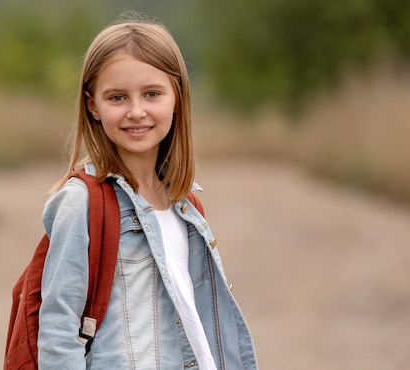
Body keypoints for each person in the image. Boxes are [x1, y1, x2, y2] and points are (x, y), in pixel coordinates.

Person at [38, 18, 258, 370]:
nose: (136, 111)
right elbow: (57, 329)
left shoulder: (185, 204)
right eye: (117, 97)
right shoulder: (81, 202)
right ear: (92, 105)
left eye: (152, 94)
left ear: (177, 99)